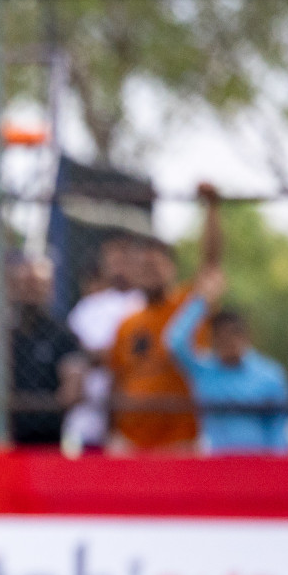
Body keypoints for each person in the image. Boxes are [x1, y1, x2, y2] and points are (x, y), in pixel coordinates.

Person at [108, 186, 223, 454]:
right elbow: (118, 381)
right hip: (132, 443)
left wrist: (212, 209)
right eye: (142, 267)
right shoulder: (127, 323)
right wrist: (112, 432)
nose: (149, 272)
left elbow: (212, 262)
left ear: (172, 268)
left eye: (155, 265)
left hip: (181, 442)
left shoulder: (188, 305)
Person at [163, 269, 288, 454]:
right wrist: (201, 301)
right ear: (213, 339)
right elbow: (175, 342)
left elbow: (279, 427)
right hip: (216, 468)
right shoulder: (203, 371)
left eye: (234, 333)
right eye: (221, 336)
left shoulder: (270, 374)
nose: (229, 341)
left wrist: (275, 468)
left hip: (260, 467)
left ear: (246, 336)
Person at [62, 234, 145, 452]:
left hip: (136, 417)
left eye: (125, 259)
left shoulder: (145, 305)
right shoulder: (88, 307)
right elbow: (73, 354)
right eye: (113, 260)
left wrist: (106, 356)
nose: (119, 266)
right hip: (89, 419)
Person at [5, 257, 84, 446]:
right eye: (25, 284)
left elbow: (72, 388)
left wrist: (41, 407)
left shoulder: (62, 335)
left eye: (37, 284)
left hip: (50, 438)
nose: (30, 291)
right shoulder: (7, 338)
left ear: (49, 289)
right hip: (10, 436)